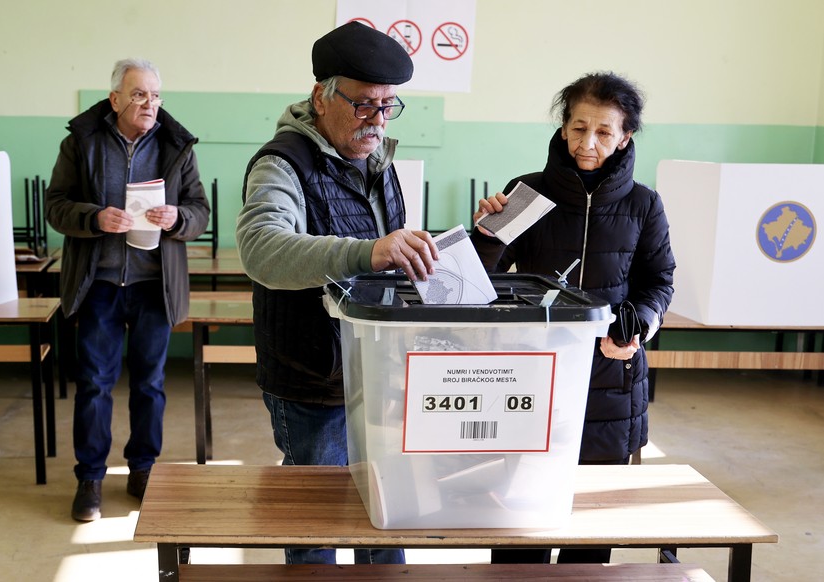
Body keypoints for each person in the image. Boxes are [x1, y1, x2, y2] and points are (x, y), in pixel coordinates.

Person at [235, 22, 438, 565]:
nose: (376, 118)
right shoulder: (283, 163)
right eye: (364, 104)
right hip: (313, 379)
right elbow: (261, 249)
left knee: (388, 512)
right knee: (316, 522)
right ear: (321, 96)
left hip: (378, 373)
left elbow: (391, 257)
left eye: (388, 105)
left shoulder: (377, 162)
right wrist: (366, 251)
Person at [472, 72, 675, 564]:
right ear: (563, 128)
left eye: (605, 132)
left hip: (610, 375)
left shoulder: (643, 204)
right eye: (579, 127)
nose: (589, 142)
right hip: (531, 372)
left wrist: (639, 326)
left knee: (589, 527)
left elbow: (659, 282)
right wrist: (486, 235)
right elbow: (478, 282)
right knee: (518, 521)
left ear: (625, 136)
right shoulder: (525, 192)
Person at [45, 58, 210, 522]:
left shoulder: (177, 147)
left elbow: (200, 209)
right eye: (139, 95)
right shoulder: (81, 142)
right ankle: (90, 479)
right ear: (115, 99)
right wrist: (93, 218)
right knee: (94, 383)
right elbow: (55, 206)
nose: (149, 104)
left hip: (153, 285)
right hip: (99, 283)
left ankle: (142, 470)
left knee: (150, 384)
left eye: (155, 96)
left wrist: (179, 217)